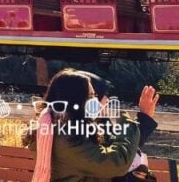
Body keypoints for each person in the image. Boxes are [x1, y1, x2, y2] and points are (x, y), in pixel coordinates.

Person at [27, 68, 159, 182]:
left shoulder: (52, 127)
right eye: (91, 96)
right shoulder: (66, 140)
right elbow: (116, 163)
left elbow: (112, 145)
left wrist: (143, 118)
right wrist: (123, 118)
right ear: (75, 101)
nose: (96, 101)